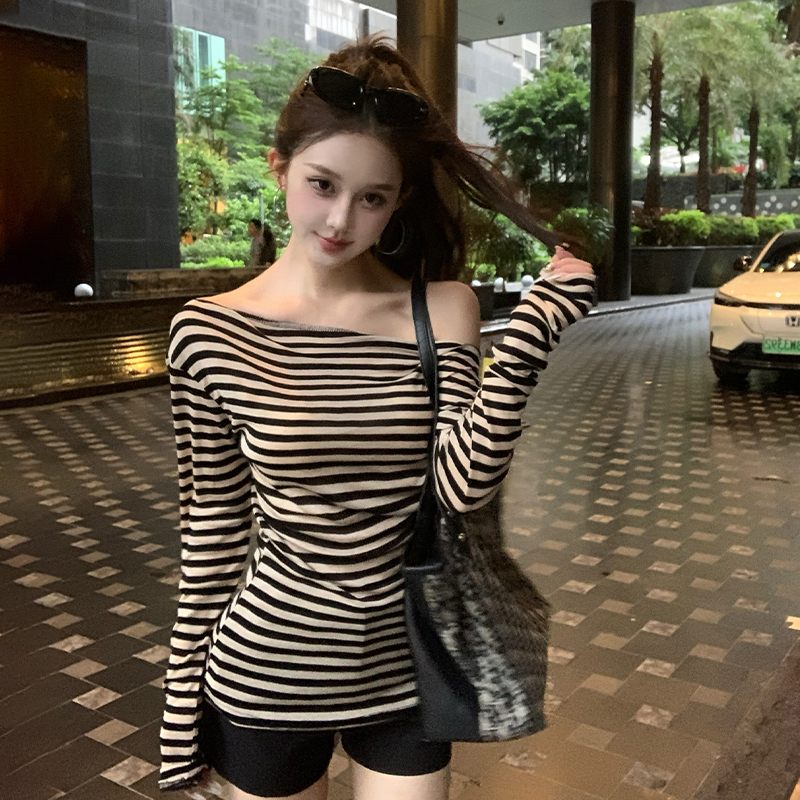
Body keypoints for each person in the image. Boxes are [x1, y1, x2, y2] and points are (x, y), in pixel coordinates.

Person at [160, 35, 595, 800]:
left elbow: (461, 490)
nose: (340, 219)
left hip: (408, 668)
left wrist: (529, 336)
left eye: (372, 198)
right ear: (279, 167)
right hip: (267, 670)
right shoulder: (208, 332)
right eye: (322, 184)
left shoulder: (441, 308)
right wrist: (178, 718)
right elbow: (213, 533)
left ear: (398, 202)